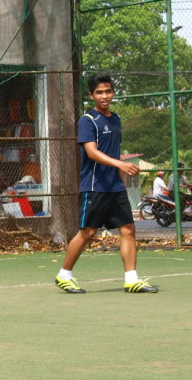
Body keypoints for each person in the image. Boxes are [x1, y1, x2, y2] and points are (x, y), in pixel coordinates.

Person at [55, 74, 158, 294]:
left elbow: (114, 152)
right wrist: (120, 165)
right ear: (91, 95)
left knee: (128, 230)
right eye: (99, 92)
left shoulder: (116, 119)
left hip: (115, 188)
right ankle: (64, 275)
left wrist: (120, 179)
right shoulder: (87, 120)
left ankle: (131, 280)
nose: (104, 96)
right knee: (88, 233)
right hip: (94, 186)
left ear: (112, 93)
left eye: (108, 91)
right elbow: (92, 152)